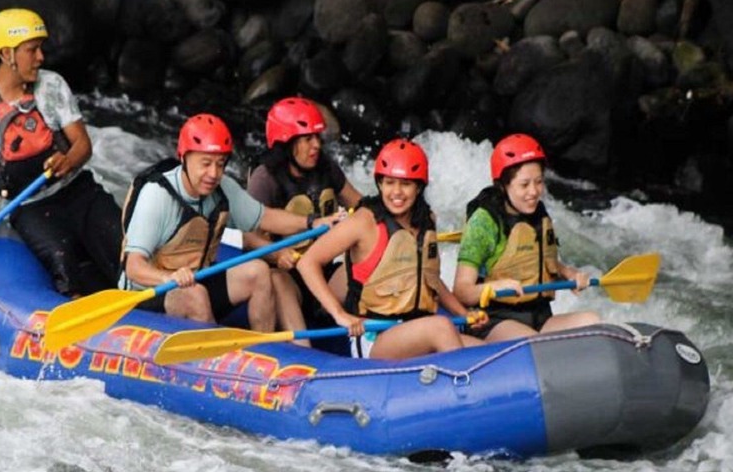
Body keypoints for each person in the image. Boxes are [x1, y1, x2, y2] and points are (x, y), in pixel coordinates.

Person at [0, 8, 122, 297]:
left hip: (79, 192)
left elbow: (82, 145)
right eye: (32, 50)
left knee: (127, 252)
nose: (41, 57)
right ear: (6, 54)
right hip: (29, 207)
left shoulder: (52, 85)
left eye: (40, 49)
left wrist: (68, 161)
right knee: (63, 265)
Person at [119, 113, 342, 331]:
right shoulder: (157, 195)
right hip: (149, 295)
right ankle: (210, 359)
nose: (213, 173)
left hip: (197, 279)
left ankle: (263, 352)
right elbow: (133, 266)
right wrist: (169, 278)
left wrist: (313, 222)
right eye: (205, 163)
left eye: (220, 163)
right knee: (194, 294)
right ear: (184, 157)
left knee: (258, 271)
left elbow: (267, 217)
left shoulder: (223, 188)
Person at [296, 138, 486, 360]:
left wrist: (464, 314)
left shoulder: (427, 220)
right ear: (379, 184)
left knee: (485, 351)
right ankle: (461, 392)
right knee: (441, 328)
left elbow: (430, 279)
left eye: (405, 184)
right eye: (389, 183)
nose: (396, 192)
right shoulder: (363, 221)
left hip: (417, 328)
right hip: (374, 337)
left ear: (418, 187)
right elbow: (307, 262)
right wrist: (340, 315)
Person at [451, 133, 600, 342]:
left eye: (538, 182)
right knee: (536, 345)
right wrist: (492, 287)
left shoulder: (538, 214)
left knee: (592, 322)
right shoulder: (484, 222)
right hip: (495, 320)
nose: (534, 191)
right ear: (503, 185)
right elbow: (461, 291)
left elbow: (541, 262)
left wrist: (569, 273)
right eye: (524, 184)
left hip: (540, 317)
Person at [245, 97, 363, 337]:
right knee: (276, 279)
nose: (316, 145)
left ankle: (375, 340)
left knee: (365, 262)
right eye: (307, 139)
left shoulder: (326, 168)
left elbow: (362, 208)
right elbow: (248, 238)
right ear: (286, 142)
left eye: (318, 138)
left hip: (323, 273)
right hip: (288, 277)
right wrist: (277, 254)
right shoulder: (265, 177)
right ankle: (301, 349)